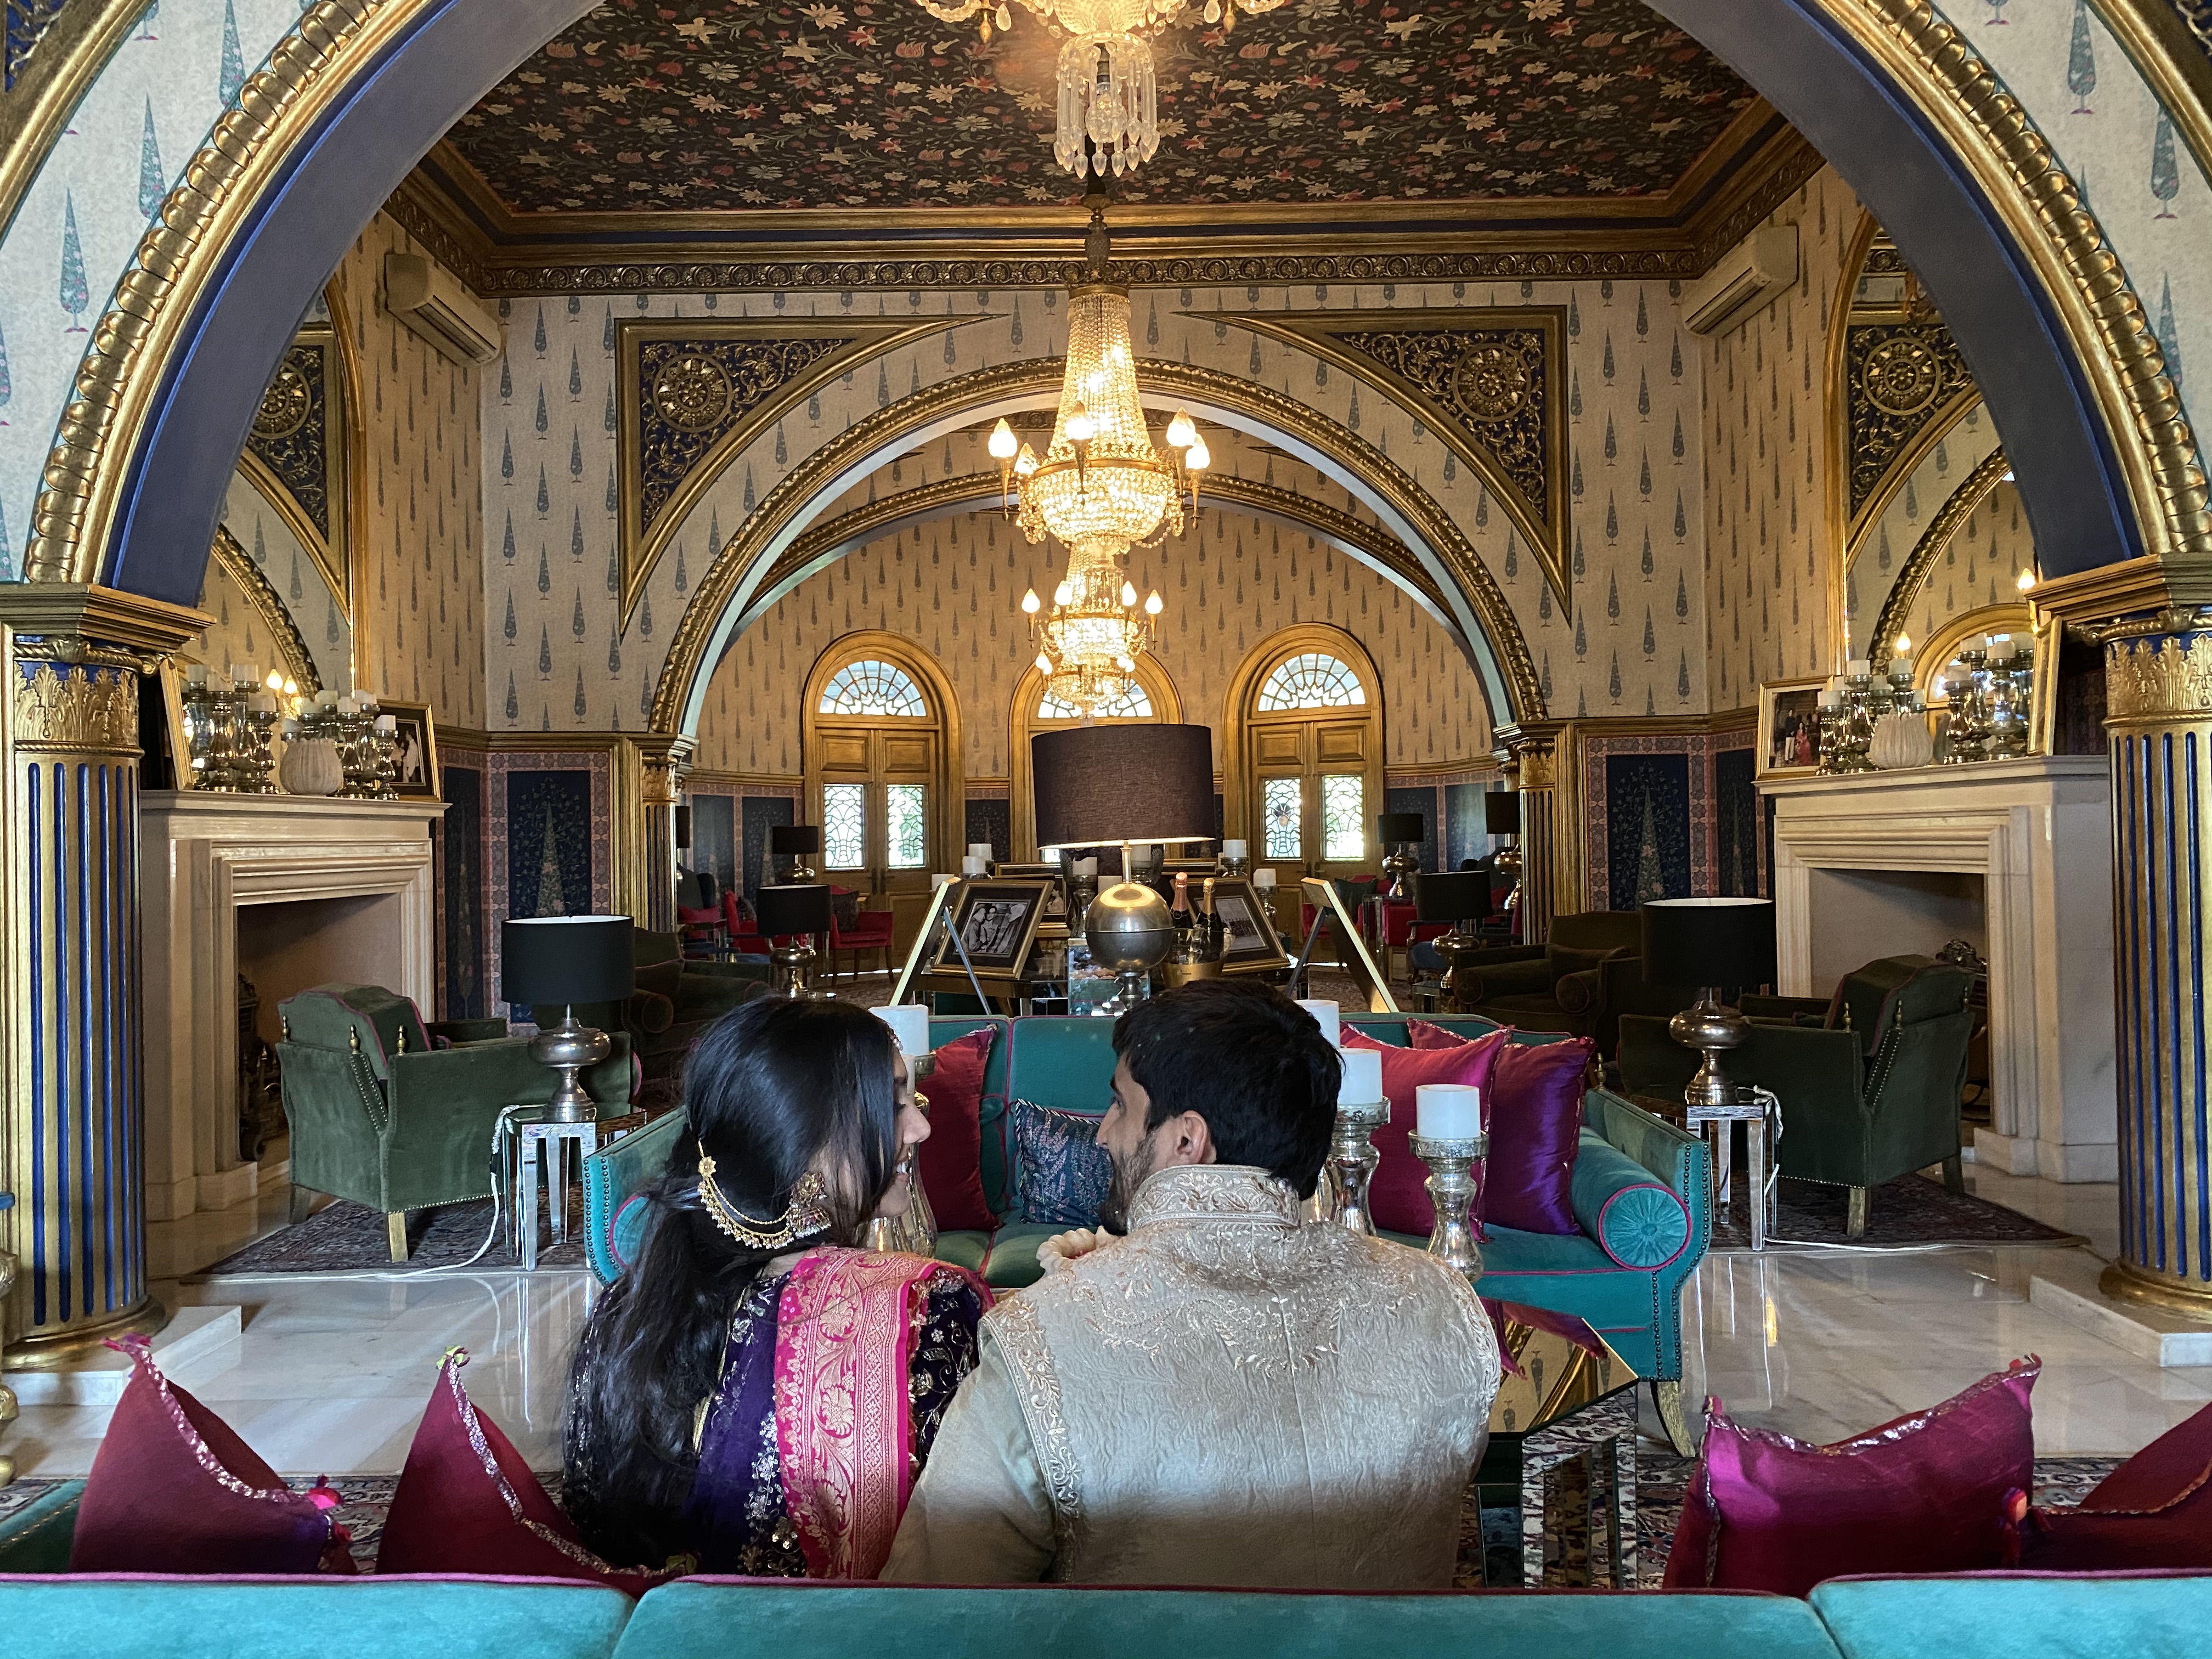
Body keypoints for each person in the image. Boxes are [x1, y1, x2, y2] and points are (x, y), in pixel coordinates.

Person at [881, 980, 1500, 1589]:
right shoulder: (1445, 1305)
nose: (1103, 1133)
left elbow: (936, 1603)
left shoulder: (1037, 1336)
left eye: (1121, 1105)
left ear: (1186, 1138)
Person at [563, 997, 988, 1578]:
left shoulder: (624, 1314)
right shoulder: (924, 1311)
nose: (921, 1125)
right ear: (803, 1143)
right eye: (890, 1105)